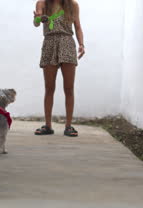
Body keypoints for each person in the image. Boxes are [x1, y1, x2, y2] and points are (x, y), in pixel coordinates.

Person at [33, 0, 85, 137]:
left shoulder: (72, 5)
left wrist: (81, 44)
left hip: (67, 43)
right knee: (49, 88)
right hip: (50, 43)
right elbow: (37, 23)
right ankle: (48, 126)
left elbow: (78, 26)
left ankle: (68, 126)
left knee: (69, 88)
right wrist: (37, 17)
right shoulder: (42, 3)